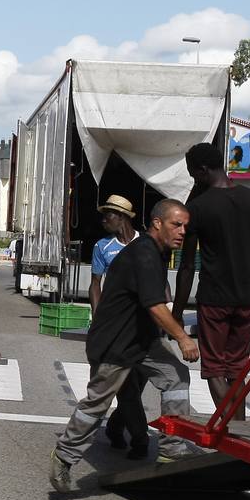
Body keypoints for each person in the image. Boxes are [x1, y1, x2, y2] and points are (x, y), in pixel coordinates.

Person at [49, 200, 203, 494]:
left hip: (141, 339)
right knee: (97, 404)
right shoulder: (144, 253)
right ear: (157, 223)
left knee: (176, 377)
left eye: (185, 226)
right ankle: (64, 456)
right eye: (176, 224)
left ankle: (171, 447)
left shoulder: (158, 252)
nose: (183, 231)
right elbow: (155, 305)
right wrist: (182, 337)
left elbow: (157, 301)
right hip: (115, 342)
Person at [172, 142, 250, 420]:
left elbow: (188, 265)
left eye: (193, 174)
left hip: (215, 298)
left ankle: (231, 435)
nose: (193, 180)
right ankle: (240, 435)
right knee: (236, 369)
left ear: (202, 170)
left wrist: (177, 313)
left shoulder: (199, 208)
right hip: (248, 297)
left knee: (215, 368)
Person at [90, 195, 150, 460]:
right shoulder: (102, 247)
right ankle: (140, 440)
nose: (104, 220)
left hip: (146, 325)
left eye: (108, 216)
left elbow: (159, 282)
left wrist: (168, 313)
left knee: (138, 382)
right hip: (117, 329)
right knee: (127, 386)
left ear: (122, 217)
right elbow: (95, 284)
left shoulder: (146, 244)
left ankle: (116, 425)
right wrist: (98, 317)